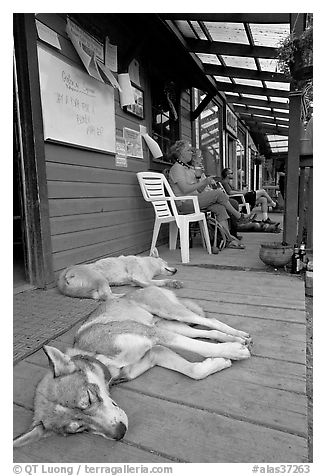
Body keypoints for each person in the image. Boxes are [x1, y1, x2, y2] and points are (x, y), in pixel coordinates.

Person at [168, 141, 251, 249]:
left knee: (220, 208)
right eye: (188, 150)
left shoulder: (187, 168)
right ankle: (239, 216)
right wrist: (203, 182)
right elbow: (184, 189)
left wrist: (203, 181)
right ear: (181, 153)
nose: (191, 153)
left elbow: (198, 191)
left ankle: (227, 240)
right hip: (184, 203)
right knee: (218, 193)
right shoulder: (177, 168)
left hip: (194, 200)